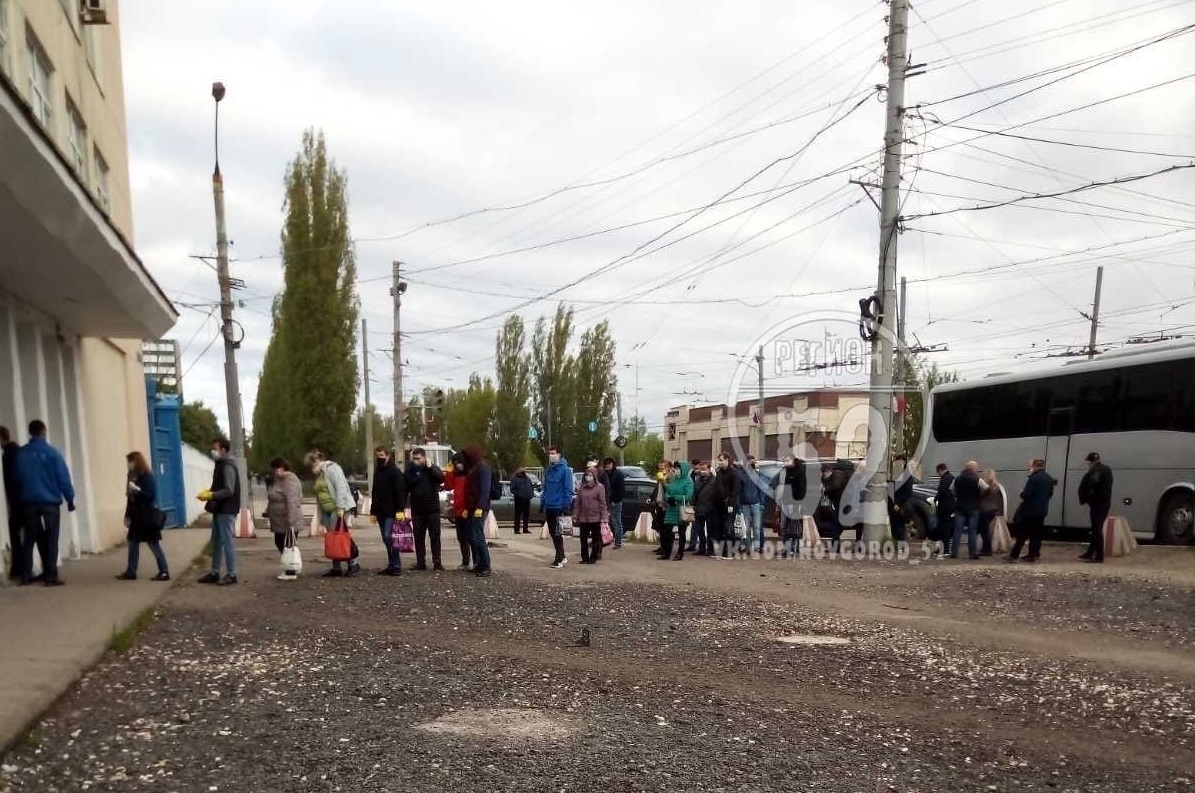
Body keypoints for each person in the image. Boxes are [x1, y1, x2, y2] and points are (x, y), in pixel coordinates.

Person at [16, 420, 75, 586]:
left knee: (29, 538)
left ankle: (25, 575)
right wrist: (70, 499)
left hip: (28, 502)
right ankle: (51, 575)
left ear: (30, 433)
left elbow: (17, 479)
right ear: (43, 431)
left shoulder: (21, 454)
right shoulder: (52, 453)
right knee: (51, 538)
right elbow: (63, 479)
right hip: (50, 502)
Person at [305, 449, 359, 578]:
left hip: (338, 508)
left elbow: (340, 487)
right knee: (331, 538)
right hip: (327, 510)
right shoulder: (319, 474)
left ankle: (353, 563)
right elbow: (319, 495)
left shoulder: (332, 469)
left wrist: (340, 507)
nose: (311, 468)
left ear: (317, 460)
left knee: (340, 536)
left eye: (312, 464)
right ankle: (336, 567)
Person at [116, 451, 169, 581]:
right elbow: (130, 498)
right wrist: (127, 515)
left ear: (137, 462)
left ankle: (164, 571)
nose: (129, 464)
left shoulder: (147, 477)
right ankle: (131, 571)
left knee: (153, 544)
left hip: (146, 516)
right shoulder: (132, 477)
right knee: (132, 543)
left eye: (130, 461)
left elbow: (150, 496)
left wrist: (138, 490)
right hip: (136, 516)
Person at [1008, 459, 1056, 563]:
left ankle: (1014, 555)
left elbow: (1026, 495)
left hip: (1029, 511)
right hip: (1041, 511)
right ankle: (1033, 555)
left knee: (1022, 534)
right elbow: (1050, 494)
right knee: (1037, 534)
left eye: (1031, 466)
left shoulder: (1033, 478)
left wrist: (1022, 493)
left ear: (1035, 466)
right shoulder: (1049, 478)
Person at [370, 445, 408, 576]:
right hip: (380, 511)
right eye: (377, 456)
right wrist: (373, 512)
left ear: (387, 456)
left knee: (389, 536)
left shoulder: (394, 471)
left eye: (381, 455)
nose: (379, 458)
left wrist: (400, 509)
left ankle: (396, 564)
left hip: (391, 511)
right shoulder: (378, 471)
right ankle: (392, 564)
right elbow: (375, 492)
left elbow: (400, 492)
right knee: (386, 539)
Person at [406, 448, 446, 570]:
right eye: (414, 459)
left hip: (432, 509)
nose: (416, 461)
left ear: (424, 458)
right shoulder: (410, 471)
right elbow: (406, 485)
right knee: (418, 537)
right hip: (417, 510)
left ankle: (437, 562)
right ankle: (420, 562)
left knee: (435, 537)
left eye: (418, 458)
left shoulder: (431, 468)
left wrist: (430, 467)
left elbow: (440, 478)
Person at [265, 457, 304, 574]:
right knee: (280, 542)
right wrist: (268, 510)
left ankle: (291, 568)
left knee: (288, 546)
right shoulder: (278, 479)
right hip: (278, 520)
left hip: (288, 521)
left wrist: (291, 522)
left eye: (275, 469)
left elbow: (292, 502)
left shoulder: (291, 481)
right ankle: (290, 566)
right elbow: (273, 496)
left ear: (281, 468)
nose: (273, 472)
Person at [460, 445, 494, 577]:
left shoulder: (483, 468)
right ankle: (480, 564)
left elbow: (485, 490)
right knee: (471, 536)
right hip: (472, 507)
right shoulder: (473, 468)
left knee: (478, 537)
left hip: (480, 507)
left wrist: (480, 506)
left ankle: (485, 565)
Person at [540, 446, 574, 569]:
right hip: (549, 506)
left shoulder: (565, 471)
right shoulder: (549, 470)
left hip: (559, 506)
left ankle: (559, 558)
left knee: (558, 534)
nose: (551, 456)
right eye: (549, 453)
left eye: (553, 453)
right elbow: (545, 488)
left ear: (559, 455)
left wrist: (566, 506)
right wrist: (542, 503)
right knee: (554, 534)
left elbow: (568, 489)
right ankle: (562, 556)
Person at [1078, 452, 1113, 563]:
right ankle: (1090, 552)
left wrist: (1088, 497)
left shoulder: (1096, 471)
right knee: (1095, 529)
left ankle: (1099, 556)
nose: (1087, 464)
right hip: (1104, 503)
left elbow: (1094, 484)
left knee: (1097, 529)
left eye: (1088, 462)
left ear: (1091, 461)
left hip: (1098, 504)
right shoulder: (1107, 469)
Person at [950, 461, 986, 560]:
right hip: (973, 507)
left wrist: (958, 496)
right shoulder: (977, 479)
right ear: (974, 468)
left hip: (960, 507)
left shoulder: (957, 479)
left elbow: (952, 490)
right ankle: (972, 553)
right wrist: (979, 496)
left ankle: (954, 552)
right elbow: (986, 488)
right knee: (972, 531)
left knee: (957, 530)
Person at [659, 461, 694, 561]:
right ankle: (667, 552)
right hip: (671, 509)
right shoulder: (674, 479)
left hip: (681, 510)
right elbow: (668, 490)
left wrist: (675, 497)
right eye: (676, 468)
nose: (677, 470)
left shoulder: (688, 481)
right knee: (667, 532)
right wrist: (668, 497)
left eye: (678, 468)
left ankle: (680, 553)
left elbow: (688, 496)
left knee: (681, 533)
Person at [443, 452, 472, 570]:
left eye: (459, 463)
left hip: (467, 510)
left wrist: (468, 509)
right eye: (455, 464)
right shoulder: (456, 475)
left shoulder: (469, 475)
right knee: (461, 538)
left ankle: (475, 562)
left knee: (471, 538)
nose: (457, 465)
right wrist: (449, 471)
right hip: (458, 511)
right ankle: (465, 562)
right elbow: (448, 486)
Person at [1, 425, 22, 581]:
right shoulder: (20, 452)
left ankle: (19, 568)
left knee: (14, 533)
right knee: (31, 534)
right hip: (27, 498)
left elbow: (10, 479)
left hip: (16, 500)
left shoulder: (7, 456)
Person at [775, 456, 808, 558]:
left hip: (795, 503)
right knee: (784, 526)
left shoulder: (800, 471)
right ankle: (786, 548)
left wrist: (798, 504)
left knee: (793, 526)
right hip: (785, 501)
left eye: (786, 460)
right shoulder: (787, 470)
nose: (784, 462)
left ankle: (792, 548)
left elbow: (802, 489)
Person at [710, 453, 741, 559]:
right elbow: (716, 488)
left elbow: (736, 490)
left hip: (729, 504)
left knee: (728, 528)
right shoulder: (719, 472)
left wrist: (731, 504)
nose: (719, 462)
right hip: (719, 505)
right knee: (718, 527)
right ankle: (719, 551)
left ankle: (729, 552)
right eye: (719, 460)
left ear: (727, 460)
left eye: (721, 460)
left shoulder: (734, 473)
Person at [575, 466, 608, 564]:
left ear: (594, 476)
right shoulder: (582, 487)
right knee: (583, 539)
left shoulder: (600, 487)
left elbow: (603, 503)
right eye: (587, 475)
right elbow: (577, 503)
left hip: (595, 517)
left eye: (590, 475)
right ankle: (584, 558)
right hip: (583, 517)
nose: (588, 477)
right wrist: (575, 515)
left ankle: (593, 557)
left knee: (595, 539)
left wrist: (604, 517)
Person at [739, 456, 766, 555]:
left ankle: (757, 547)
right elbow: (738, 491)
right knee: (746, 528)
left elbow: (761, 490)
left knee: (757, 527)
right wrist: (739, 505)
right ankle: (748, 547)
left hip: (756, 503)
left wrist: (762, 503)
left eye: (752, 462)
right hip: (744, 504)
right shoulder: (740, 475)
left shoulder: (756, 474)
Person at [689, 461, 716, 555]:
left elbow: (717, 495)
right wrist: (693, 504)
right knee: (699, 530)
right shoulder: (698, 480)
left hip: (710, 510)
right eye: (700, 469)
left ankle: (710, 549)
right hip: (699, 509)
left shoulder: (714, 480)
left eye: (704, 469)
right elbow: (694, 494)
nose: (702, 471)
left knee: (710, 531)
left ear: (709, 469)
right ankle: (701, 548)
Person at [977, 469, 1003, 557]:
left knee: (984, 531)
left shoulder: (986, 486)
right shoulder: (996, 486)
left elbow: (980, 496)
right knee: (986, 530)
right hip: (993, 510)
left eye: (984, 475)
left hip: (984, 510)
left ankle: (987, 550)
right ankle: (986, 549)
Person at [601, 458, 626, 549]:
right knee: (606, 523)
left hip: (616, 502)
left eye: (609, 463)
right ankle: (606, 540)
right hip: (606, 501)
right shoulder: (604, 474)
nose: (607, 465)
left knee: (617, 522)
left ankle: (618, 542)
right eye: (606, 464)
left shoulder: (618, 474)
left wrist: (616, 501)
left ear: (613, 464)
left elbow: (621, 490)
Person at [933, 463, 956, 556]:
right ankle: (944, 548)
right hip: (950, 506)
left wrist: (936, 498)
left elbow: (942, 491)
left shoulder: (945, 478)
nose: (938, 474)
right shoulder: (952, 477)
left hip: (945, 507)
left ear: (940, 470)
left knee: (944, 529)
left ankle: (945, 549)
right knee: (946, 528)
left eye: (938, 472)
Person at [510, 468, 535, 535]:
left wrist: (531, 494)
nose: (523, 472)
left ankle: (525, 529)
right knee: (518, 515)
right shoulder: (514, 479)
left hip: (527, 499)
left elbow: (531, 487)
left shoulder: (527, 479)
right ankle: (516, 529)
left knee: (526, 515)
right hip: (519, 499)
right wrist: (519, 494)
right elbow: (512, 489)